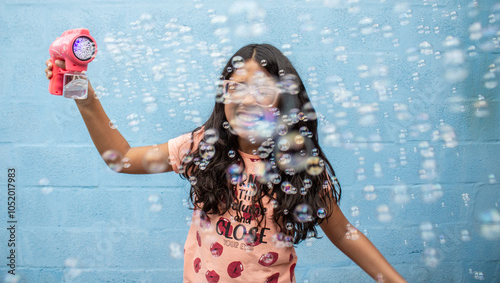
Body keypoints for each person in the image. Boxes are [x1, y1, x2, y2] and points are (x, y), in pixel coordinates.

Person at [45, 43, 406, 283]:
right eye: (235, 87)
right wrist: (84, 95)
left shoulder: (299, 164)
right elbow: (122, 159)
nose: (246, 98)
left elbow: (342, 231)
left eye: (261, 88)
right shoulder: (202, 147)